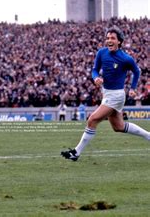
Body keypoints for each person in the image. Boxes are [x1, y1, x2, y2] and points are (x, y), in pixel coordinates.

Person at [61, 26, 149, 161]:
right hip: (106, 93)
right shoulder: (101, 53)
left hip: (117, 95)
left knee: (92, 119)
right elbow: (95, 69)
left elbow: (137, 71)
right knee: (118, 127)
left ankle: (76, 153)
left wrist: (132, 88)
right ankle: (148, 135)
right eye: (107, 38)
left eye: (112, 38)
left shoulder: (126, 58)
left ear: (119, 41)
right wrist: (95, 77)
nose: (109, 40)